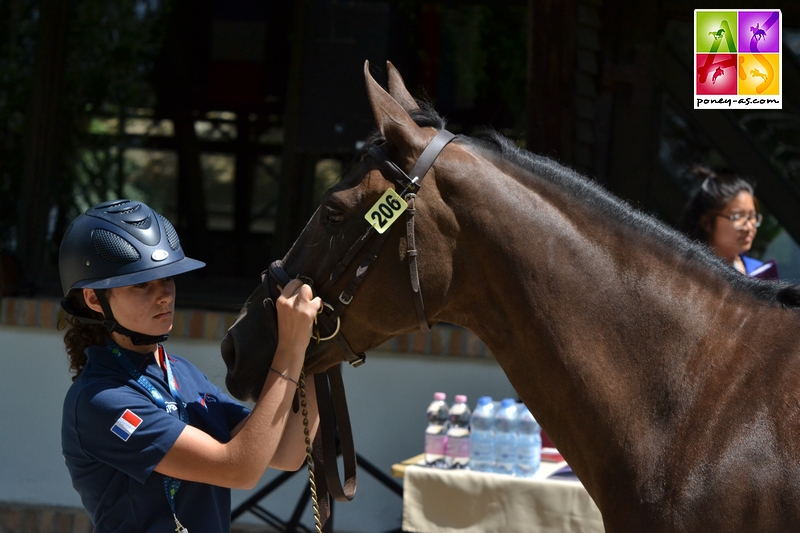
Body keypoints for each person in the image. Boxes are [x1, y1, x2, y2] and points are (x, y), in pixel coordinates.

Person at [58, 199, 321, 532]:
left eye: (167, 278)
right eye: (142, 284)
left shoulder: (180, 371)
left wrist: (318, 354)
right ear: (95, 299)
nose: (165, 295)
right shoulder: (101, 400)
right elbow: (239, 469)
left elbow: (286, 452)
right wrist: (290, 348)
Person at [680, 167, 772, 277]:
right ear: (707, 223)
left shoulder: (760, 272)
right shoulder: (690, 276)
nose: (748, 227)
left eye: (752, 216)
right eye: (738, 217)